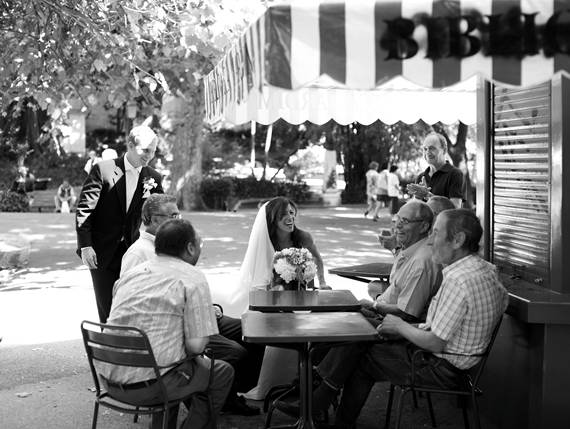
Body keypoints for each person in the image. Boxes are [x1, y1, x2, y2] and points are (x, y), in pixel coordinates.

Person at [280, 209, 508, 428]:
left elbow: (435, 342)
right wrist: (402, 327)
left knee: (360, 352)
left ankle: (321, 406)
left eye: (436, 233)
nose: (430, 241)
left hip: (440, 367)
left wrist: (400, 326)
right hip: (457, 361)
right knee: (360, 335)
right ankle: (318, 402)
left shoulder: (458, 280)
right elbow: (449, 326)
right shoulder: (486, 270)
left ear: (457, 240)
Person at [118, 193, 263, 416]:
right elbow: (137, 306)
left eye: (179, 214)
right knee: (233, 353)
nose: (178, 219)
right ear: (153, 219)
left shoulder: (168, 247)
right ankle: (215, 397)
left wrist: (206, 309)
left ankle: (229, 394)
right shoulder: (138, 254)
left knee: (251, 330)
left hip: (190, 318)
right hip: (173, 330)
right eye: (173, 215)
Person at [101, 219, 234, 429]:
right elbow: (196, 346)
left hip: (109, 379)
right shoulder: (193, 277)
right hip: (153, 386)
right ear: (190, 248)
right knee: (220, 373)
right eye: (199, 244)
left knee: (173, 363)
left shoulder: (130, 275)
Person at [221, 197, 328, 401]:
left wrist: (322, 283)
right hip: (271, 299)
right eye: (284, 214)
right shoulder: (265, 241)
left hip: (301, 297)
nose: (290, 217)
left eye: (292, 212)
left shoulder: (303, 237)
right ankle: (263, 381)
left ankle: (304, 377)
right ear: (272, 219)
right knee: (257, 325)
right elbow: (259, 277)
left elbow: (317, 260)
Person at [76, 125, 163, 323]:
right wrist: (86, 246)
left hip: (133, 253)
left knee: (132, 305)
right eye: (145, 150)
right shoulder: (103, 170)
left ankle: (129, 341)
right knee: (108, 309)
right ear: (130, 145)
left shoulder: (153, 177)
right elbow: (85, 210)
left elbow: (162, 211)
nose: (149, 156)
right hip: (101, 252)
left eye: (153, 151)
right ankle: (109, 341)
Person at [362, 201, 442, 327]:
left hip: (394, 326)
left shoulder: (421, 261)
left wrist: (374, 305)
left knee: (346, 319)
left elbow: (406, 313)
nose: (397, 225)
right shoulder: (411, 248)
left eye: (405, 221)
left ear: (423, 227)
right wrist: (395, 247)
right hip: (385, 313)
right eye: (397, 219)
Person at [407, 132, 464, 208]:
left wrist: (428, 196)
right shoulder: (420, 177)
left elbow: (455, 208)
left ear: (444, 150)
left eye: (432, 148)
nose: (427, 152)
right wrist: (417, 197)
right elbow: (415, 209)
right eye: (425, 149)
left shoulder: (455, 174)